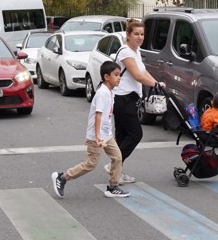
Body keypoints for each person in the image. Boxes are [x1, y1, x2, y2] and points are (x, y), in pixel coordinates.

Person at [52, 61, 129, 198]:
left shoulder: (110, 92)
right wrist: (97, 136)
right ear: (106, 76)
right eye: (116, 75)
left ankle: (113, 187)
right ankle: (62, 177)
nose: (119, 78)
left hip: (106, 135)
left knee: (117, 157)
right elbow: (98, 115)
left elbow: (107, 115)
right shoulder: (102, 93)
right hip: (96, 136)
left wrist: (109, 133)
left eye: (119, 75)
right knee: (90, 164)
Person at [104, 19, 164, 184]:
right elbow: (137, 75)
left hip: (130, 98)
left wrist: (157, 83)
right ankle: (113, 166)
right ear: (128, 35)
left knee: (122, 136)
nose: (139, 37)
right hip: (122, 99)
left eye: (142, 34)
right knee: (135, 134)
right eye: (136, 34)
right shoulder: (125, 52)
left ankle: (117, 171)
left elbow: (143, 72)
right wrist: (155, 84)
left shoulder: (136, 51)